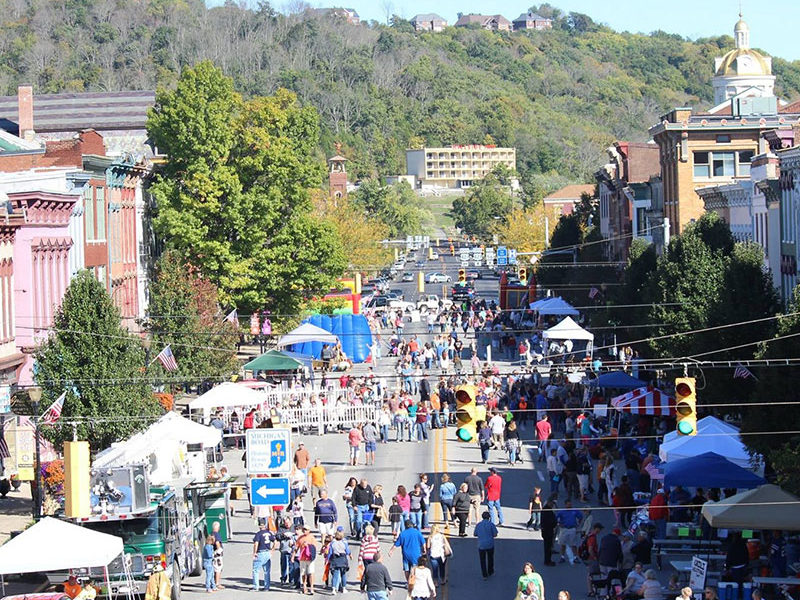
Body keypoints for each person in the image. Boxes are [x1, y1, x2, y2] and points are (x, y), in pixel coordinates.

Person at [556, 499, 583, 564]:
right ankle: (562, 557)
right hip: (564, 529)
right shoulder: (562, 512)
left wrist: (578, 524)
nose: (570, 505)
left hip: (572, 529)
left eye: (570, 504)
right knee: (563, 543)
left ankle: (575, 557)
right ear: (565, 505)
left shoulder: (575, 511)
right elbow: (556, 518)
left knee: (573, 544)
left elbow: (580, 517)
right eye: (568, 504)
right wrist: (559, 524)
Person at [252, 518, 275, 591]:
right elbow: (275, 541)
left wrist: (254, 552)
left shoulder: (258, 534)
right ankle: (266, 587)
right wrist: (272, 549)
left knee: (255, 570)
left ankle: (256, 586)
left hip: (261, 552)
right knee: (267, 571)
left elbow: (256, 543)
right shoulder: (269, 533)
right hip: (267, 552)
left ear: (259, 526)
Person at [475, 511, 498, 580]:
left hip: (481, 545)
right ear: (489, 517)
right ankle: (490, 571)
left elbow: (475, 534)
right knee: (490, 558)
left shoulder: (478, 525)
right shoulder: (491, 524)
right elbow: (495, 534)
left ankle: (484, 575)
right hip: (490, 544)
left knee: (482, 560)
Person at [294, 526, 318, 595]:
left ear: (309, 530)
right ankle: (304, 586)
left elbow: (314, 548)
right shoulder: (300, 538)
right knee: (303, 573)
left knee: (311, 573)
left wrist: (308, 545)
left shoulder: (312, 538)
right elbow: (296, 547)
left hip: (310, 558)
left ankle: (311, 587)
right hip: (302, 558)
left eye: (306, 530)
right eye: (304, 529)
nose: (304, 531)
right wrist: (293, 556)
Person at [327, 529, 351, 594]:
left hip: (335, 559)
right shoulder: (344, 542)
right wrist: (350, 555)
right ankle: (344, 588)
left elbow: (330, 552)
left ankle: (333, 589)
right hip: (343, 559)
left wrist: (328, 559)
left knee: (335, 575)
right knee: (343, 574)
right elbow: (348, 551)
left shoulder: (333, 543)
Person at [541, 500, 557, 566]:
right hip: (548, 531)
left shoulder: (546, 510)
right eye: (552, 504)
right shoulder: (547, 511)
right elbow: (549, 521)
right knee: (548, 547)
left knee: (548, 546)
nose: (553, 506)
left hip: (546, 530)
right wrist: (554, 523)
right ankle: (547, 561)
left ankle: (548, 560)